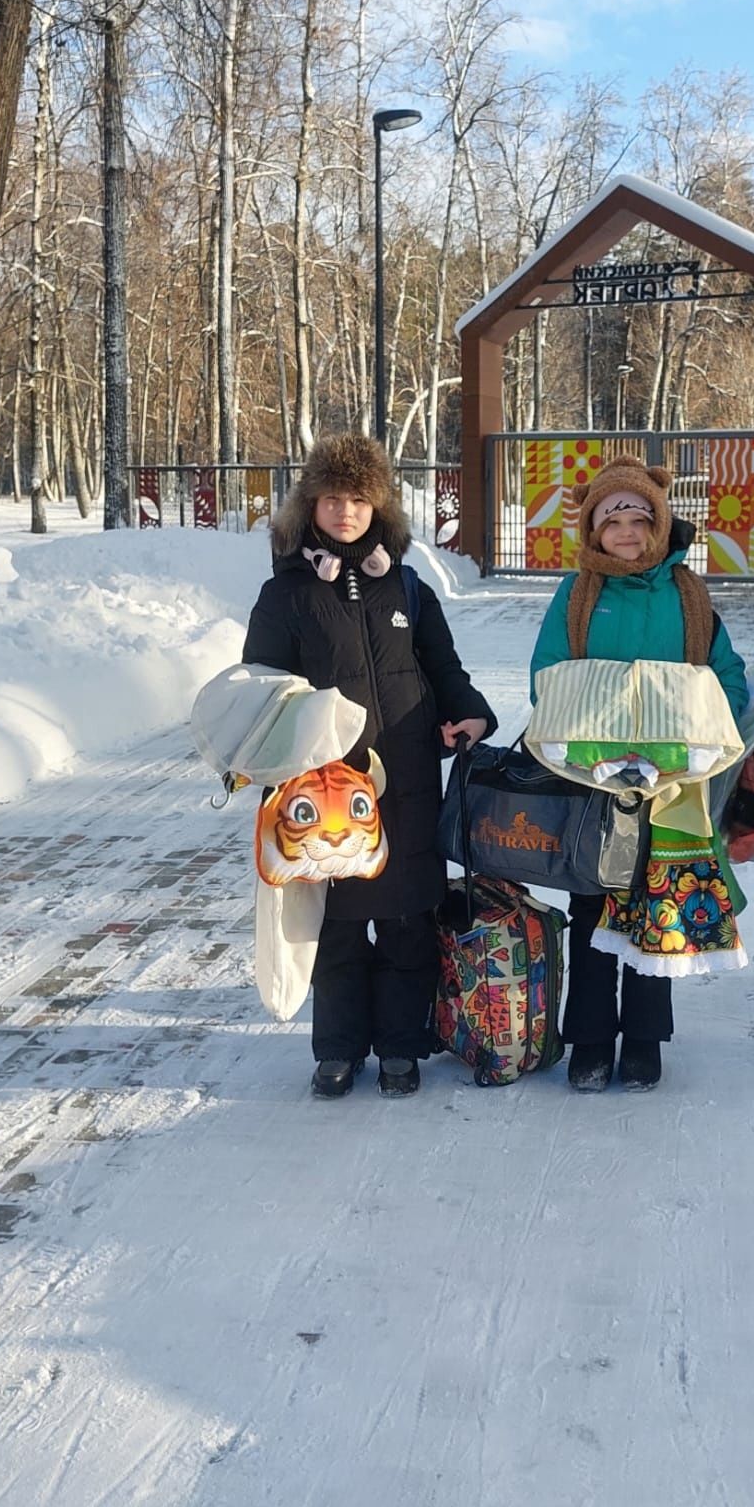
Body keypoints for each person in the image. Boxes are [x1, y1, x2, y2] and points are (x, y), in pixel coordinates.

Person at [242, 434, 497, 1099]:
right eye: (332, 499)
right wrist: (256, 758)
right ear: (310, 506)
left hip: (409, 779)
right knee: (341, 924)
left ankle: (401, 1047)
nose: (345, 512)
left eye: (358, 499)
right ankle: (338, 1049)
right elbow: (260, 687)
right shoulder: (287, 596)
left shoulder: (409, 588)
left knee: (410, 920)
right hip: (326, 787)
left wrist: (470, 712)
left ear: (379, 504)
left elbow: (442, 667)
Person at [530, 456, 749, 1093]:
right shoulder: (577, 595)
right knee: (592, 905)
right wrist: (579, 739)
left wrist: (714, 731)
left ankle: (647, 1041)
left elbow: (724, 672)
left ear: (660, 523)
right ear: (593, 530)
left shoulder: (690, 594)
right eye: (612, 518)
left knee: (662, 907)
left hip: (672, 784)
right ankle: (591, 1041)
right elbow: (549, 673)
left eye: (639, 517)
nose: (626, 529)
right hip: (593, 781)